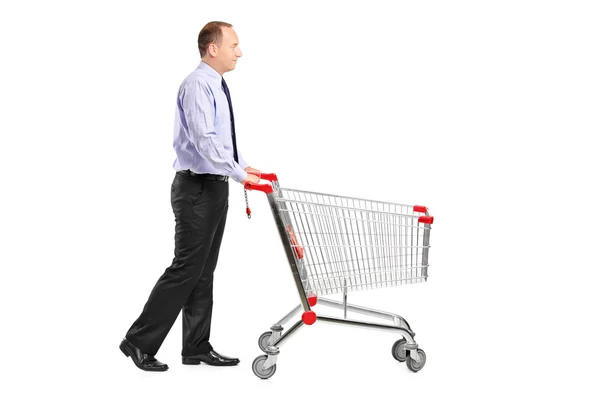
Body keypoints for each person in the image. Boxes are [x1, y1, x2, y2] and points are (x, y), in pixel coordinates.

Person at [119, 21, 261, 372]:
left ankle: (196, 346)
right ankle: (138, 341)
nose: (239, 52)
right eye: (234, 45)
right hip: (197, 189)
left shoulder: (216, 84)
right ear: (213, 48)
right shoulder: (198, 84)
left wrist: (245, 167)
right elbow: (203, 140)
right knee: (186, 269)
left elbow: (220, 140)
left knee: (203, 271)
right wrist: (240, 175)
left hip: (213, 186)